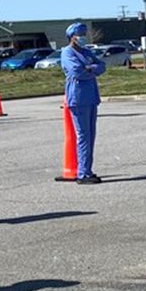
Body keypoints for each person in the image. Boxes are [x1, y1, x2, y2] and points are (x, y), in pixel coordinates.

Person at [60, 22, 106, 184]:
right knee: (83, 136)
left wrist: (90, 68)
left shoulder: (86, 52)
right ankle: (83, 173)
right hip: (78, 98)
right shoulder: (67, 53)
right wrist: (89, 70)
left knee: (91, 135)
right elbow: (76, 72)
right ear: (72, 36)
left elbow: (102, 66)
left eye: (85, 33)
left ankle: (87, 169)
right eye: (80, 34)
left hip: (91, 97)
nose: (83, 37)